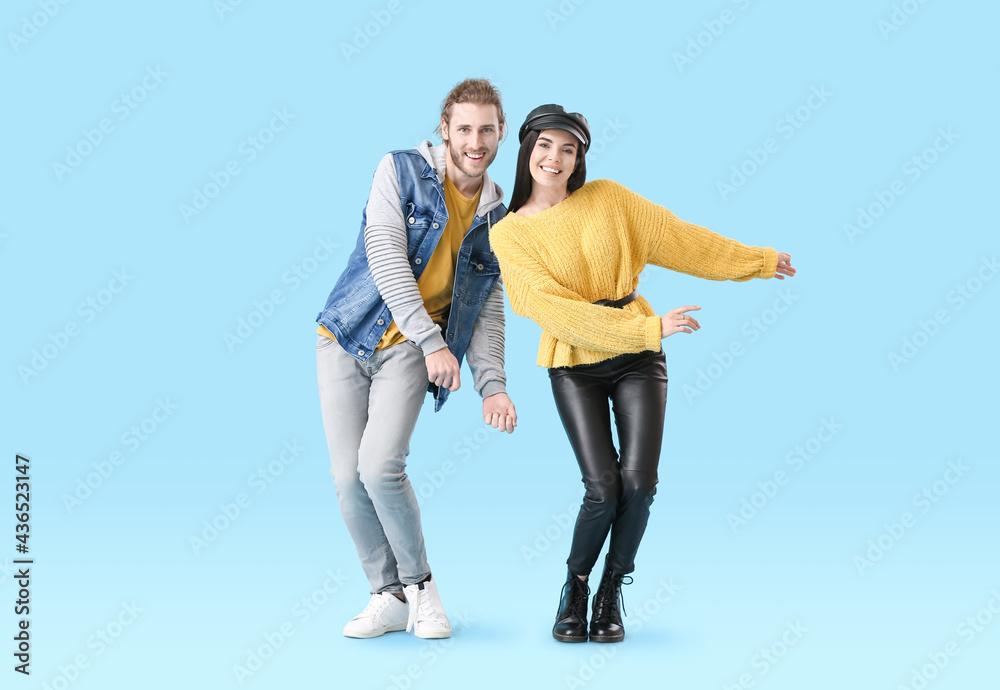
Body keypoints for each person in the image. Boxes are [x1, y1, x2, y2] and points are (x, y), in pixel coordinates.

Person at [489, 104, 796, 643]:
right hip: (575, 361)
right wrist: (647, 331)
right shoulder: (509, 235)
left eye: (568, 148)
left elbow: (682, 239)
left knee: (640, 482)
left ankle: (612, 589)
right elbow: (553, 310)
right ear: (527, 150)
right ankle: (575, 585)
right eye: (544, 145)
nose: (554, 158)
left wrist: (759, 260)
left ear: (579, 157)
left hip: (639, 360)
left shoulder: (608, 198)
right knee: (603, 487)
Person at [315, 79, 518, 640]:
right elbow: (383, 251)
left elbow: (488, 306)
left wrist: (491, 383)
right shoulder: (399, 170)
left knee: (380, 467)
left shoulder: (500, 217)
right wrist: (434, 343)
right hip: (346, 335)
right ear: (444, 131)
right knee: (346, 478)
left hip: (408, 348)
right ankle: (388, 596)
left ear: (500, 134)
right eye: (464, 129)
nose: (475, 141)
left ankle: (422, 588)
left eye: (487, 129)